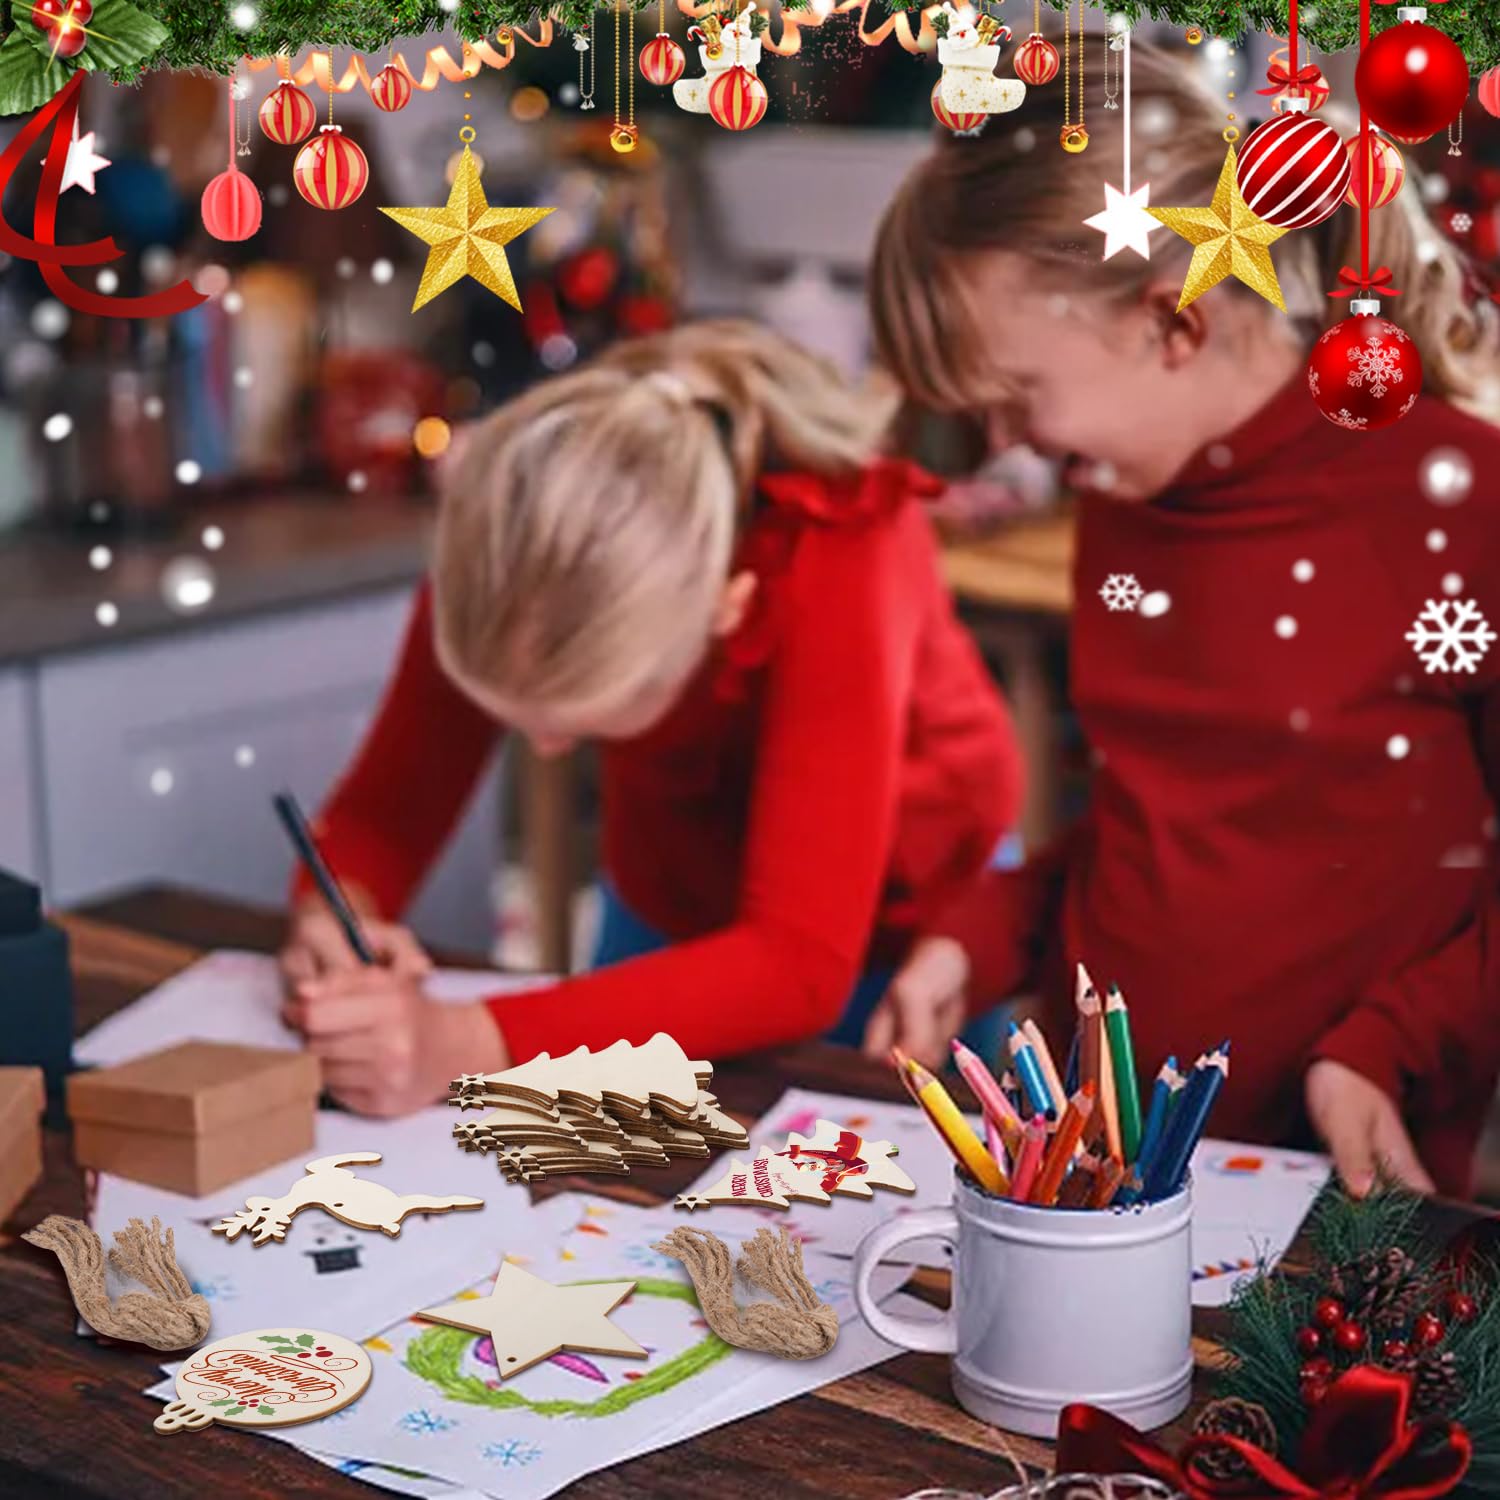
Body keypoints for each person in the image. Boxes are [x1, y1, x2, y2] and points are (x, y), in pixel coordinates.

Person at [863, 44, 1500, 1199]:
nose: (1008, 440)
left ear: (1174, 326)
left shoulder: (1464, 502)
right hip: (1100, 1178)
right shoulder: (1127, 496)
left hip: (1335, 1195)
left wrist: (1387, 1046)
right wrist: (987, 926)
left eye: (1018, 394)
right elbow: (1157, 821)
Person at [280, 321, 1023, 1115]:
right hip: (673, 885)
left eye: (584, 720)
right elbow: (389, 809)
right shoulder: (511, 545)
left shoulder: (842, 548)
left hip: (901, 918)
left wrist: (465, 1043)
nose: (547, 747)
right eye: (514, 715)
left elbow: (797, 964)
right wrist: (339, 911)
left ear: (723, 611)